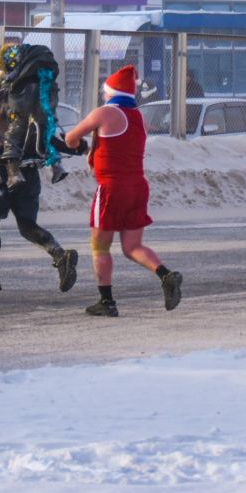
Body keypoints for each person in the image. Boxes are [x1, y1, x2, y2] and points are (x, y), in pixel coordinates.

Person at [60, 64, 182, 318]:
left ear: (110, 92)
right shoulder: (139, 118)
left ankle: (107, 301)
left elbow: (70, 138)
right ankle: (166, 275)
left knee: (100, 247)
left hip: (111, 188)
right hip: (138, 187)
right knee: (132, 246)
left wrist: (85, 146)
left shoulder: (104, 113)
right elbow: (119, 146)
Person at [0, 49, 80, 294]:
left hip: (1, 170)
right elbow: (48, 135)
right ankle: (58, 253)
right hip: (30, 170)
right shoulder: (32, 98)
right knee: (26, 224)